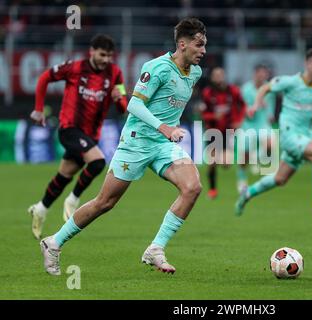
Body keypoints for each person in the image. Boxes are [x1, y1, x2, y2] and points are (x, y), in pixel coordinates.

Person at [39, 17, 207, 276]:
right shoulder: (157, 67)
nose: (203, 51)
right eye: (199, 45)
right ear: (182, 44)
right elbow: (134, 105)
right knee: (105, 202)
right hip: (137, 142)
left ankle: (155, 249)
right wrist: (163, 127)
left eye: (205, 45)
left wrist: (167, 131)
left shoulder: (195, 72)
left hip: (163, 145)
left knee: (192, 187)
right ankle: (53, 242)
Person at [28, 34, 128, 240]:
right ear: (91, 51)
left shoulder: (116, 74)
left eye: (110, 56)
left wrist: (119, 100)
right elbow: (45, 77)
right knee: (98, 162)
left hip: (91, 135)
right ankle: (73, 199)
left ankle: (40, 208)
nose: (106, 60)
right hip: (69, 128)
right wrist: (38, 109)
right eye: (102, 55)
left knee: (64, 175)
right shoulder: (74, 68)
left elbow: (122, 108)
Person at [235, 48, 312, 218]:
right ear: (307, 64)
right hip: (289, 134)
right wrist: (255, 104)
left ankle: (246, 195)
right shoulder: (290, 82)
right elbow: (265, 88)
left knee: (279, 179)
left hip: (306, 137)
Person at [200, 67, 246, 199]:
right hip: (212, 132)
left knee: (226, 164)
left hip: (228, 131)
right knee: (212, 163)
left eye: (220, 75)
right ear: (212, 78)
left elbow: (242, 106)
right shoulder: (208, 93)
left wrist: (238, 121)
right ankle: (213, 189)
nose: (218, 77)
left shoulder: (233, 91)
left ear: (224, 76)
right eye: (216, 75)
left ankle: (235, 175)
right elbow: (203, 114)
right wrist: (214, 116)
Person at [236, 63, 277, 193]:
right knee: (244, 157)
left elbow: (270, 109)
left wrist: (270, 114)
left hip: (263, 124)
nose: (261, 77)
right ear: (255, 75)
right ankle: (242, 179)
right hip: (248, 125)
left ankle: (257, 157)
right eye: (259, 74)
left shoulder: (269, 90)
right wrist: (248, 111)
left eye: (264, 74)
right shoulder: (245, 89)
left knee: (271, 145)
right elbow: (240, 107)